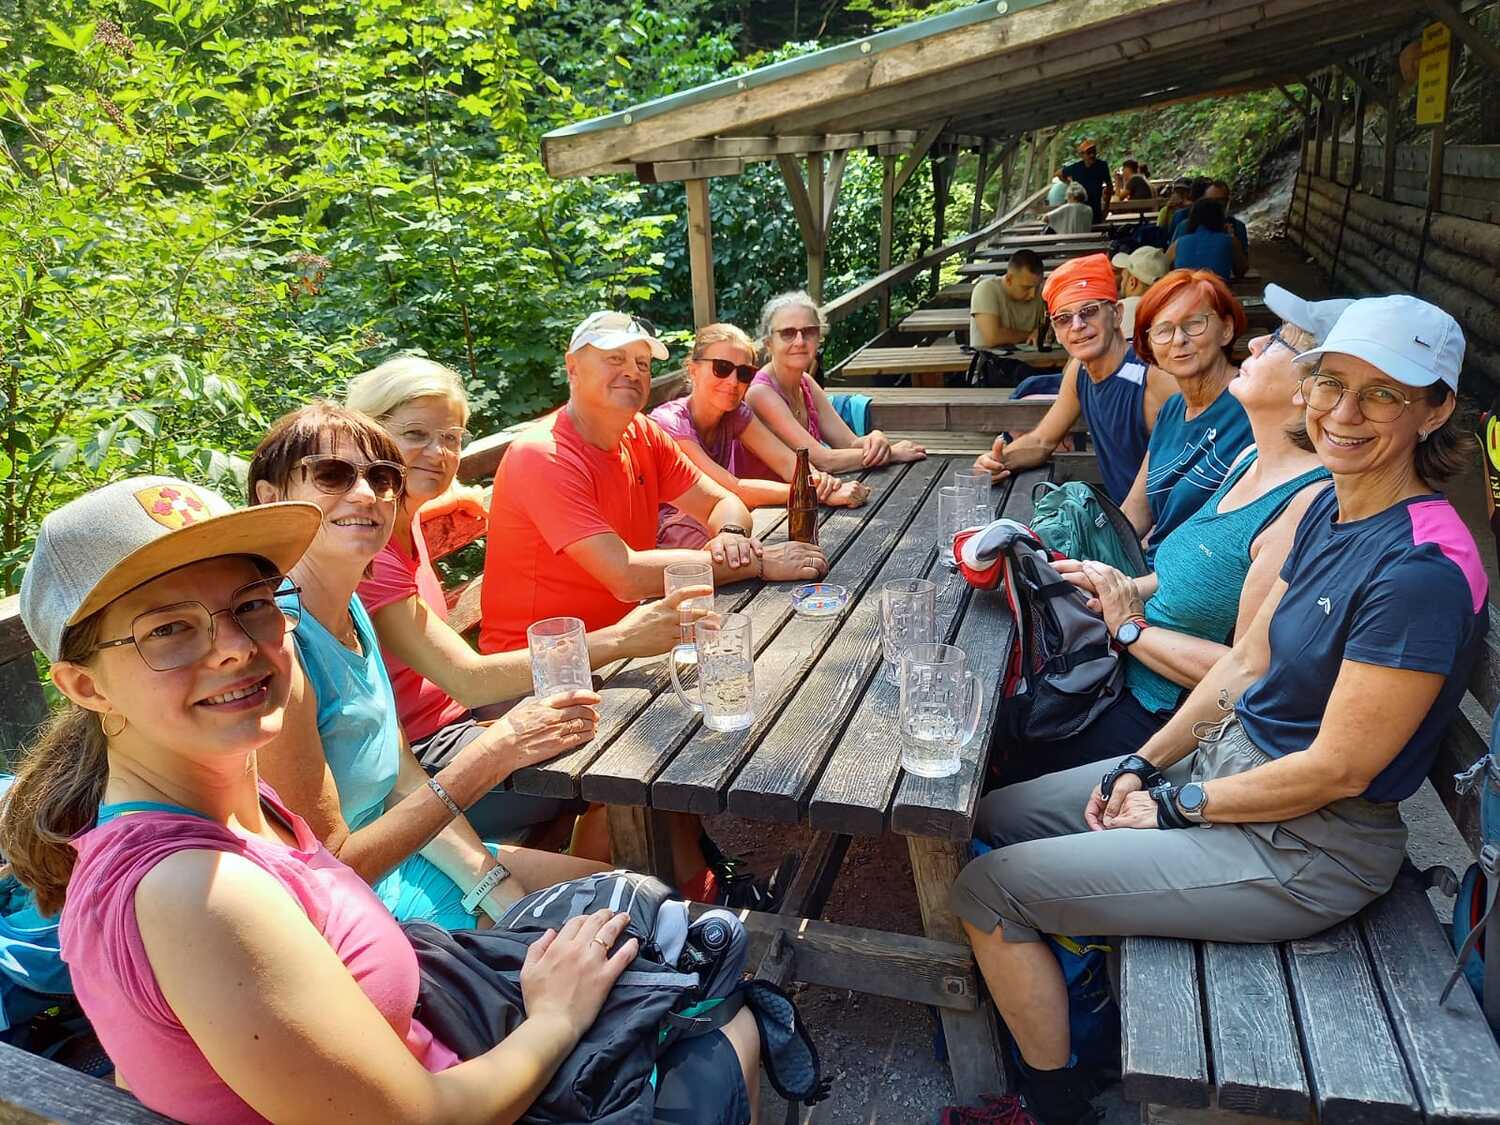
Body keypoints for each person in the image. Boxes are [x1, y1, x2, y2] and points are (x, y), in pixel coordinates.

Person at [6, 478, 761, 1124]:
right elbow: (422, 1116)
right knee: (732, 1024)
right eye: (168, 629)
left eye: (252, 604)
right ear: (84, 685)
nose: (234, 645)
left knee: (678, 947)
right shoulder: (198, 892)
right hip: (466, 1087)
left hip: (454, 1040)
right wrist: (555, 1014)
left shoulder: (224, 795)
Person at [946, 294, 1486, 1125]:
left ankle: (1055, 1102)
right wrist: (1144, 763)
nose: (1343, 413)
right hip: (1230, 768)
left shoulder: (1419, 569)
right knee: (992, 815)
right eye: (1331, 383)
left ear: (1436, 409)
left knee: (985, 889)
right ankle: (1080, 991)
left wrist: (1175, 805)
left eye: (1383, 394)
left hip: (1307, 845)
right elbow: (1245, 664)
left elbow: (1338, 768)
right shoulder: (1334, 506)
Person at [246, 404, 612, 930]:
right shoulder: (278, 648)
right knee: (617, 930)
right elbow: (330, 868)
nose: (366, 494)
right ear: (271, 497)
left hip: (408, 857)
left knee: (629, 896)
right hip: (349, 910)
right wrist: (498, 750)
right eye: (331, 474)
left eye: (382, 478)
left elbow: (402, 775)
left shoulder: (352, 609)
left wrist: (493, 886)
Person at [994, 285, 1343, 786]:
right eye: (1161, 330)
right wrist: (1112, 583)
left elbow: (1248, 673)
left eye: (1279, 342)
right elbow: (1180, 560)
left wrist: (1129, 626)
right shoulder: (1249, 459)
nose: (1256, 343)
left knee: (992, 763)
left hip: (1161, 711)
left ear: (1312, 389)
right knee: (997, 701)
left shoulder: (1305, 505)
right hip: (1120, 672)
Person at [342, 358, 702, 840]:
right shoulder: (371, 553)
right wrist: (623, 638)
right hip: (420, 765)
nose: (439, 452)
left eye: (451, 438)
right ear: (367, 435)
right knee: (632, 755)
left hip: (453, 727)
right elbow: (467, 682)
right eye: (415, 434)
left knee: (643, 724)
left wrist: (458, 498)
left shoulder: (401, 518)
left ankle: (669, 868)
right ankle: (595, 879)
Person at [480, 310, 829, 656]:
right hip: (543, 664)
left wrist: (731, 536)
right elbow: (626, 576)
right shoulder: (544, 454)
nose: (632, 371)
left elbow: (724, 502)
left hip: (627, 641)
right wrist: (756, 562)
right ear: (572, 368)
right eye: (615, 358)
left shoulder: (642, 433)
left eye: (642, 363)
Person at [974, 254, 1176, 504]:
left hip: (1173, 522)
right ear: (1056, 332)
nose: (1077, 325)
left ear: (1117, 314)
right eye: (1064, 318)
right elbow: (1042, 440)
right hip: (1126, 516)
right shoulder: (1080, 371)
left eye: (1089, 311)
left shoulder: (1153, 374)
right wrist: (998, 461)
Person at [650, 322, 870, 547]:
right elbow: (731, 488)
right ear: (693, 369)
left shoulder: (734, 413)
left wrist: (821, 482)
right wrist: (812, 492)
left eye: (744, 373)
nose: (733, 381)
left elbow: (787, 463)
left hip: (716, 524)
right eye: (722, 368)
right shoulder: (671, 423)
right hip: (668, 536)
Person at [1120, 270, 1254, 557]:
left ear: (1226, 329)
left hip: (1211, 573)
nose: (1178, 339)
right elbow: (1135, 512)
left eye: (1194, 324)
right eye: (1163, 330)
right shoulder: (1171, 410)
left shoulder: (1253, 402)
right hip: (1157, 565)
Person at [746, 291, 926, 474]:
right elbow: (823, 460)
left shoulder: (805, 382)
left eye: (809, 331)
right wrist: (892, 453)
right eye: (787, 333)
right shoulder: (760, 392)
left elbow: (849, 442)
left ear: (819, 337)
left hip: (808, 487)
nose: (799, 342)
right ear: (768, 343)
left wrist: (876, 439)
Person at [969, 249, 1047, 351]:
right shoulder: (986, 289)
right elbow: (992, 337)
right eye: (1026, 288)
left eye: (1037, 287)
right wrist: (1033, 334)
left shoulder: (1042, 292)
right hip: (989, 359)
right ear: (1009, 279)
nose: (1032, 294)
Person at [1167, 198, 1247, 281]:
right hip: (1215, 288)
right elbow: (1240, 271)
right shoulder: (1230, 241)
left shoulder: (1178, 243)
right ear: (1220, 218)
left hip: (1184, 288)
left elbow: (1164, 267)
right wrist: (1232, 236)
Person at [1171, 179, 1248, 253]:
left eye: (1220, 201)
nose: (1214, 205)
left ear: (1228, 202)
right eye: (1209, 201)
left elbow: (1243, 260)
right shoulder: (1184, 226)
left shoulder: (1237, 227)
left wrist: (1232, 241)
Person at [1110, 246, 1168, 338]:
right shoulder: (1171, 311)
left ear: (1132, 282)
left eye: (1124, 277)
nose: (1121, 282)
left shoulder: (1114, 312)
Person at [1062, 139, 1111, 222]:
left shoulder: (1101, 166)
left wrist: (1106, 208)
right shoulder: (1076, 168)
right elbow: (1059, 174)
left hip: (1095, 210)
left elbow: (1109, 186)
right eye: (1088, 153)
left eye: (1094, 152)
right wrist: (1069, 184)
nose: (1092, 155)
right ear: (1082, 155)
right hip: (1079, 210)